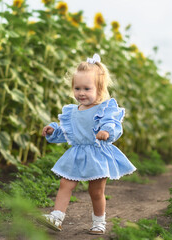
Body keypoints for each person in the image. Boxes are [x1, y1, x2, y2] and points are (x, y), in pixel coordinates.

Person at [40, 54, 136, 235]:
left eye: (86, 88)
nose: (81, 93)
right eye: (77, 88)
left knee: (96, 191)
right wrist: (54, 131)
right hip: (77, 153)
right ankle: (57, 216)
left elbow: (113, 125)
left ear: (99, 90)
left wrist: (106, 132)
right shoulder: (72, 111)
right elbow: (68, 133)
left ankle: (99, 222)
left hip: (97, 153)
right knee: (65, 183)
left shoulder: (104, 109)